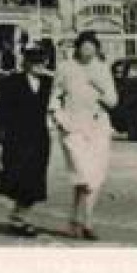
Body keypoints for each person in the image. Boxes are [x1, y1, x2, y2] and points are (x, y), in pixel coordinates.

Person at [50, 31, 118, 240]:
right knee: (84, 176)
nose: (88, 50)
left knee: (93, 178)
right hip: (73, 127)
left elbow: (113, 101)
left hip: (97, 126)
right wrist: (59, 120)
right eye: (84, 45)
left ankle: (83, 222)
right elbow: (54, 98)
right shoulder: (65, 68)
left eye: (92, 46)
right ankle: (78, 221)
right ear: (77, 47)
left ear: (97, 48)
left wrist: (99, 87)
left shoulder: (102, 69)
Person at [0, 44, 54, 238]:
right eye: (33, 62)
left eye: (41, 62)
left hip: (39, 138)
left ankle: (18, 216)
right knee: (18, 178)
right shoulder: (12, 83)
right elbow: (2, 114)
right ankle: (18, 217)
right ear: (25, 64)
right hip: (16, 138)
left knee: (35, 179)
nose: (38, 66)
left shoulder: (49, 83)